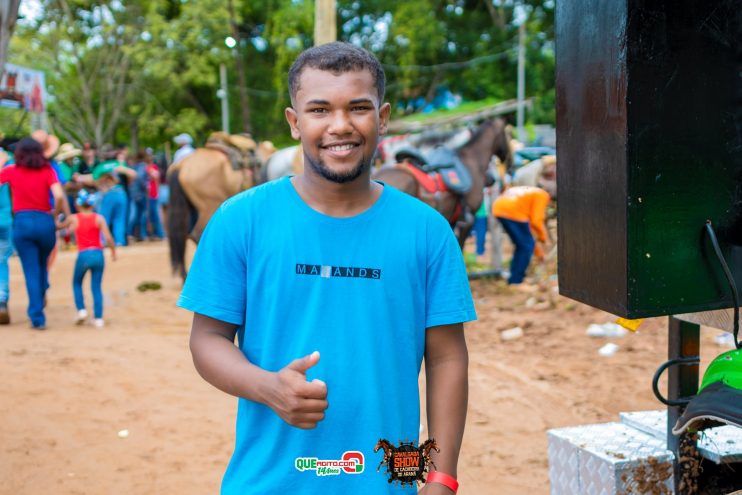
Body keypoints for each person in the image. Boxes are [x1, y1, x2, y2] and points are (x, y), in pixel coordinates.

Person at [178, 42, 475, 494]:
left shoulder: (427, 231)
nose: (340, 126)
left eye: (358, 108)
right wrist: (268, 387)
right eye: (319, 110)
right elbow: (207, 339)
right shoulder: (242, 219)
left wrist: (441, 476)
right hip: (267, 483)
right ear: (295, 123)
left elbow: (447, 357)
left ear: (383, 117)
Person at [0, 137, 71, 329]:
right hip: (45, 221)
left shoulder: (12, 171)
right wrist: (56, 215)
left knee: (30, 270)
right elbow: (58, 195)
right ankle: (42, 290)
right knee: (42, 266)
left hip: (22, 222)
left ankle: (37, 317)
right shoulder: (48, 170)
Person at [64, 190, 116, 328]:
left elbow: (62, 228)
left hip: (83, 254)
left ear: (78, 204)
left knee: (76, 282)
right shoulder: (99, 218)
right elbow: (109, 238)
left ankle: (81, 310)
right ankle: (98, 318)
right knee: (96, 287)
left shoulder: (74, 218)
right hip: (98, 254)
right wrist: (113, 252)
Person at [492, 185, 551, 284]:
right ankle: (516, 280)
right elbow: (536, 221)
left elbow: (530, 233)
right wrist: (543, 238)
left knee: (522, 245)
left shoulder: (530, 193)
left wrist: (538, 253)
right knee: (525, 246)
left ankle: (514, 276)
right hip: (512, 211)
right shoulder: (543, 195)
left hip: (498, 208)